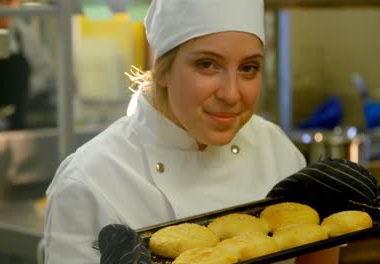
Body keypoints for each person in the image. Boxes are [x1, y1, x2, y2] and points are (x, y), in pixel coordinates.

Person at [44, 0, 340, 263]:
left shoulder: (273, 146)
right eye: (207, 64)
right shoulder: (88, 183)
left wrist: (329, 214)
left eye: (248, 68)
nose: (231, 93)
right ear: (161, 68)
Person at [0, 0, 55, 130]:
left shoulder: (23, 34)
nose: (4, 7)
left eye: (9, 2)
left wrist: (27, 89)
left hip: (15, 129)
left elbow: (45, 70)